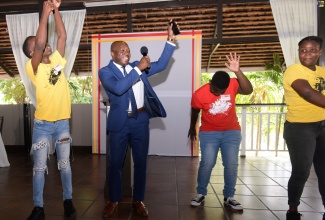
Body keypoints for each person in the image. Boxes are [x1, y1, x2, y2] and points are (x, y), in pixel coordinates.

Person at [98, 21, 178, 217]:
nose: (127, 53)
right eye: (122, 50)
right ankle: (114, 199)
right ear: (113, 54)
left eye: (127, 50)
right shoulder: (105, 72)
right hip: (119, 123)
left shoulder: (138, 66)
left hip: (140, 121)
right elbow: (118, 88)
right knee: (115, 163)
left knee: (141, 163)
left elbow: (161, 64)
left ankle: (138, 200)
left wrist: (170, 40)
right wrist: (137, 70)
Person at [22, 0, 76, 219]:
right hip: (43, 126)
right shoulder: (33, 68)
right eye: (39, 45)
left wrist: (56, 10)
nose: (46, 45)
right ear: (33, 52)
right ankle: (38, 207)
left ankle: (68, 201)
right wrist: (44, 13)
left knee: (64, 165)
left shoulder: (55, 66)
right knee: (39, 168)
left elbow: (62, 37)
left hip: (62, 123)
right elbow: (42, 39)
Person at [188, 52, 253, 211]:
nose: (219, 93)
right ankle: (200, 193)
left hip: (231, 131)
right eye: (216, 90)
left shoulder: (231, 84)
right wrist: (192, 128)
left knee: (231, 164)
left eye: (222, 91)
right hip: (209, 132)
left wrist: (237, 71)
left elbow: (248, 90)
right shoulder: (199, 94)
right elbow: (195, 111)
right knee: (207, 163)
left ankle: (229, 196)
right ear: (210, 83)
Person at [283, 36, 325, 220]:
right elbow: (307, 92)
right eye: (303, 50)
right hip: (300, 128)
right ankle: (293, 209)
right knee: (302, 171)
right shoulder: (293, 70)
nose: (307, 54)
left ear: (320, 52)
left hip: (323, 125)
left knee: (324, 170)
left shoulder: (322, 72)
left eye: (312, 50)